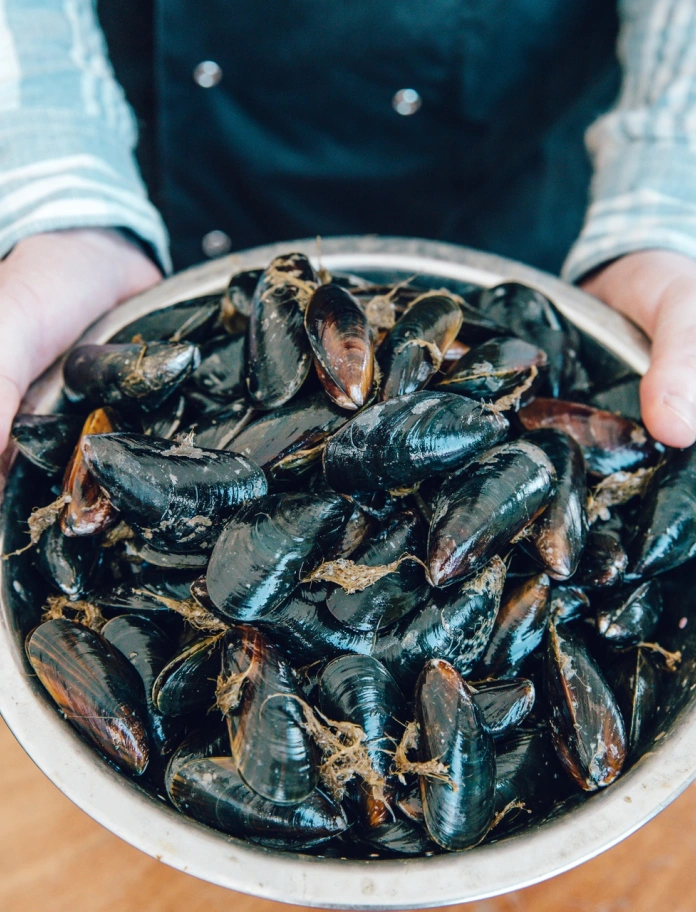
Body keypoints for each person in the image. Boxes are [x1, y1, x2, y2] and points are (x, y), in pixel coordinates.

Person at [1, 0, 695, 456]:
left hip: (516, 193)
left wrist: (661, 219)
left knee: (516, 359)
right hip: (165, 190)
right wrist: (68, 209)